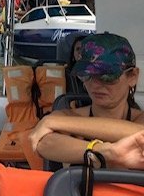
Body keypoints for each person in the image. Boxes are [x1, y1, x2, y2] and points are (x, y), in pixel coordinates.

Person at [29, 32, 144, 166]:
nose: (95, 84)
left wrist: (52, 122)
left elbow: (139, 133)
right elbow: (43, 143)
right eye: (87, 74)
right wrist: (105, 152)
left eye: (107, 76)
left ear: (132, 76)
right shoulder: (66, 116)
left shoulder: (60, 121)